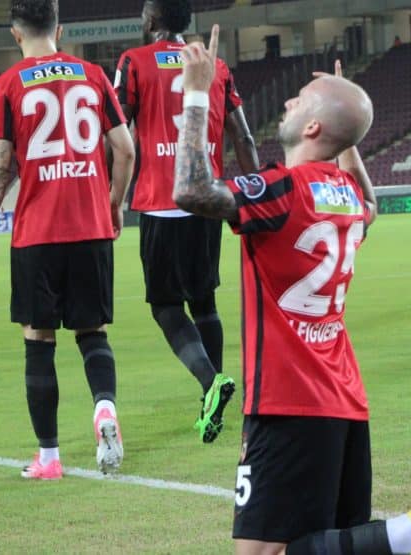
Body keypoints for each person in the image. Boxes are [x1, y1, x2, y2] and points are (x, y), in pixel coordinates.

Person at [173, 29, 411, 555]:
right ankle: (407, 536)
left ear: (312, 126)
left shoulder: (285, 189)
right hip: (342, 400)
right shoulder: (348, 194)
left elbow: (191, 190)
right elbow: (369, 208)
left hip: (288, 401)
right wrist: (347, 131)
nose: (287, 100)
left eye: (300, 100)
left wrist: (196, 92)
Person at [0, 0, 136, 478]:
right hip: (90, 228)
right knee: (93, 333)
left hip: (37, 233)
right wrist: (113, 203)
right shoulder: (92, 74)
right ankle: (104, 408)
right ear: (59, 28)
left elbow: (0, 164)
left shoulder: (6, 85)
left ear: (15, 35)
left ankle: (48, 458)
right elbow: (125, 149)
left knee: (38, 338)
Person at [114, 0, 259, 443]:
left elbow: (116, 130)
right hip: (207, 200)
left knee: (165, 306)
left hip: (161, 200)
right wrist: (254, 196)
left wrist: (110, 196)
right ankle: (210, 401)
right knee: (204, 301)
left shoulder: (133, 62)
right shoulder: (210, 64)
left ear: (153, 20)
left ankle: (209, 383)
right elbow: (244, 136)